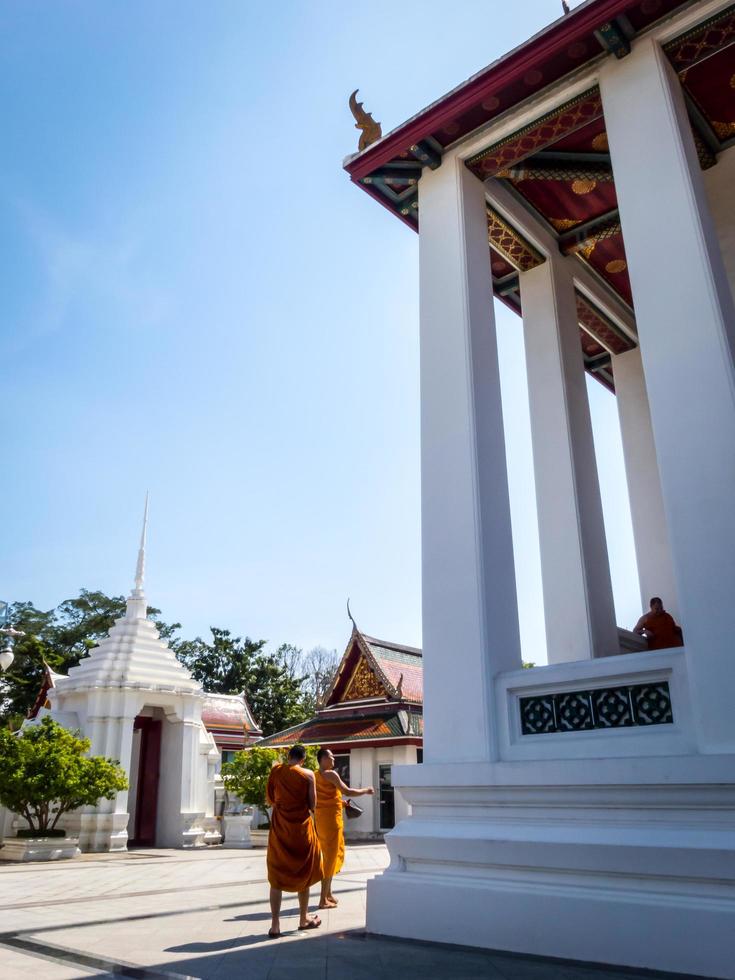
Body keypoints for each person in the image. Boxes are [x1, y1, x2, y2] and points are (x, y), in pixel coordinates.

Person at [265, 744, 324, 938]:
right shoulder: (308, 775)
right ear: (303, 759)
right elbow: (312, 804)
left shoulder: (277, 771)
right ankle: (303, 918)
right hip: (301, 830)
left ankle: (275, 925)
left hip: (281, 829)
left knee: (276, 877)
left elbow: (271, 799)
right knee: (304, 872)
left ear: (288, 756)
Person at [314, 747, 374, 910]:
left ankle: (328, 894)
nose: (334, 759)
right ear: (323, 759)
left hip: (320, 820)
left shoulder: (315, 775)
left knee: (328, 856)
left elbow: (323, 797)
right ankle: (322, 899)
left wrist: (341, 803)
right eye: (331, 757)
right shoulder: (330, 774)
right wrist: (366, 790)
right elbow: (347, 791)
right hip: (331, 821)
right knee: (330, 857)